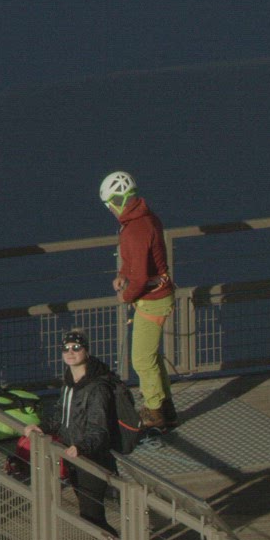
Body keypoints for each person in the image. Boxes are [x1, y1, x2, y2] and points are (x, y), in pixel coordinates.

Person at [22, 329, 118, 533]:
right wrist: (41, 427)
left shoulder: (97, 388)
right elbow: (60, 416)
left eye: (76, 347)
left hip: (92, 457)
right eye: (66, 348)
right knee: (88, 514)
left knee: (92, 515)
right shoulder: (69, 383)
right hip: (72, 455)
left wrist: (81, 447)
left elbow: (99, 428)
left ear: (86, 351)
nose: (70, 352)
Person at [100, 171, 176, 428]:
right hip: (157, 295)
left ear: (116, 201)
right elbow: (136, 261)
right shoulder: (144, 219)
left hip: (152, 299)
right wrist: (123, 274)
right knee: (151, 356)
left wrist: (126, 295)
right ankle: (165, 407)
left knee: (142, 359)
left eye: (109, 205)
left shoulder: (135, 229)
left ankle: (155, 412)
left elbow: (142, 277)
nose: (110, 210)